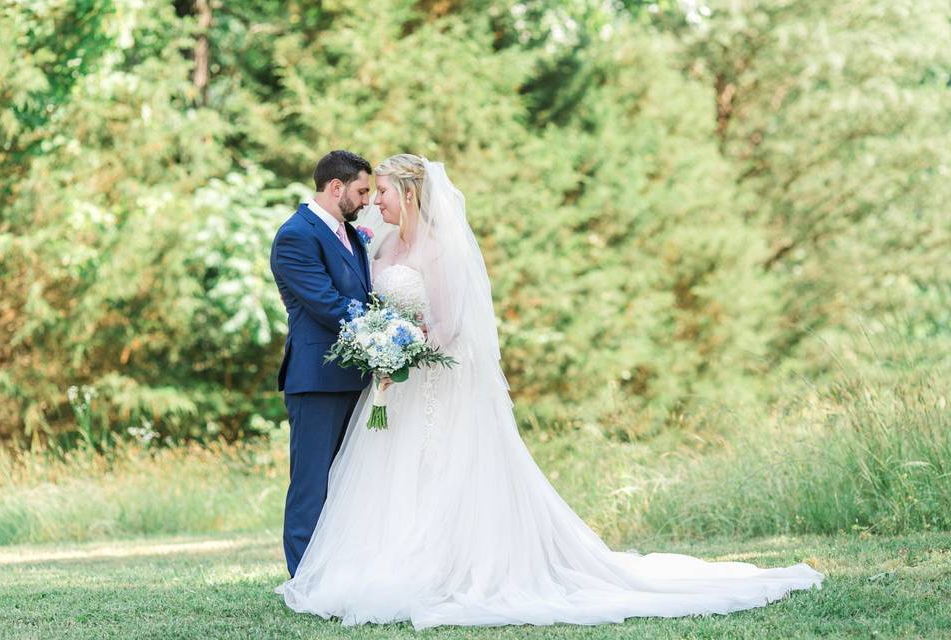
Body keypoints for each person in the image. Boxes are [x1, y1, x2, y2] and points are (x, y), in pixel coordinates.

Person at [275, 153, 823, 629]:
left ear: (411, 193)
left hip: (431, 376)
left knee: (440, 472)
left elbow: (451, 323)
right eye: (369, 193)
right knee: (377, 479)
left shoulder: (439, 250)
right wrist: (387, 345)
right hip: (388, 382)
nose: (375, 203)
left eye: (384, 192)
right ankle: (349, 570)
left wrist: (410, 343)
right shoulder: (373, 241)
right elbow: (351, 302)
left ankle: (437, 568)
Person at [269, 149, 373, 578]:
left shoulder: (350, 233)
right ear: (336, 187)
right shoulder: (297, 235)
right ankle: (305, 580)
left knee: (350, 484)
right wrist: (384, 327)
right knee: (312, 486)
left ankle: (340, 573)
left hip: (356, 377)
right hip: (317, 380)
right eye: (362, 190)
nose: (367, 200)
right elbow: (327, 304)